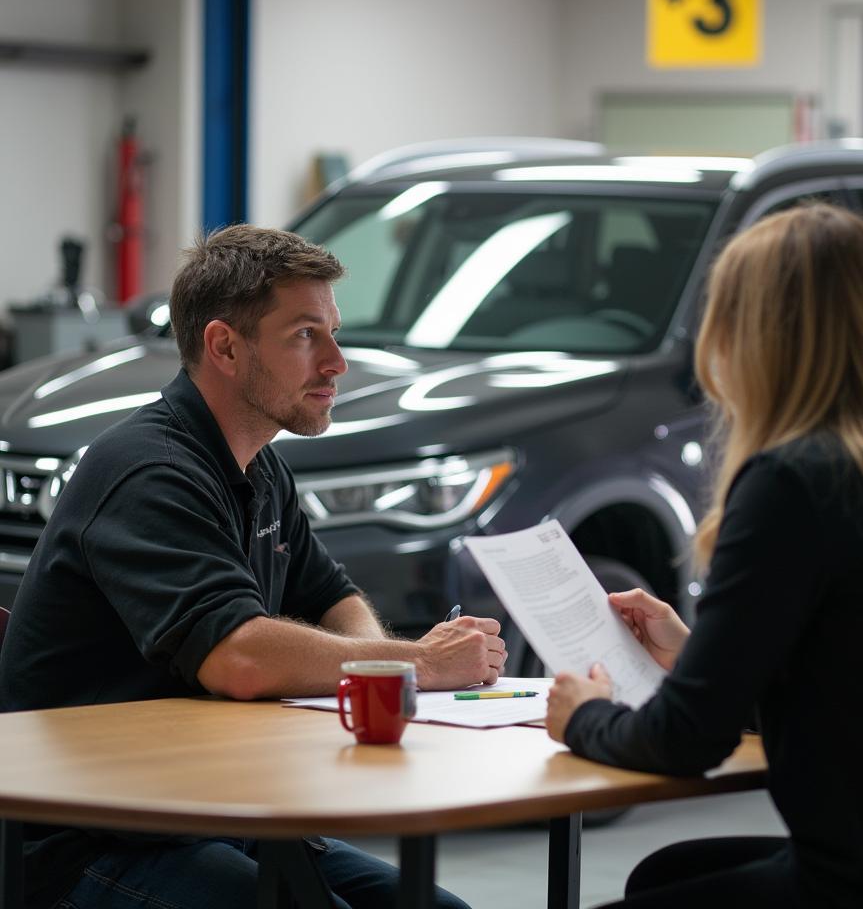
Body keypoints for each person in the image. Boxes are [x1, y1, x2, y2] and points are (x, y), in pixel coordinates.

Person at [0, 224, 507, 909]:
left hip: (209, 813)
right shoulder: (148, 471)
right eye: (305, 335)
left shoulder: (257, 466)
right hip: (92, 841)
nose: (336, 362)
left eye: (333, 332)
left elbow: (333, 596)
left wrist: (377, 667)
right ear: (225, 347)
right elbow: (237, 657)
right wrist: (419, 665)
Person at [545, 204, 863, 909]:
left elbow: (685, 741)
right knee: (665, 876)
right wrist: (703, 654)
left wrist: (584, 715)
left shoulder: (796, 481)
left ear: (759, 339)